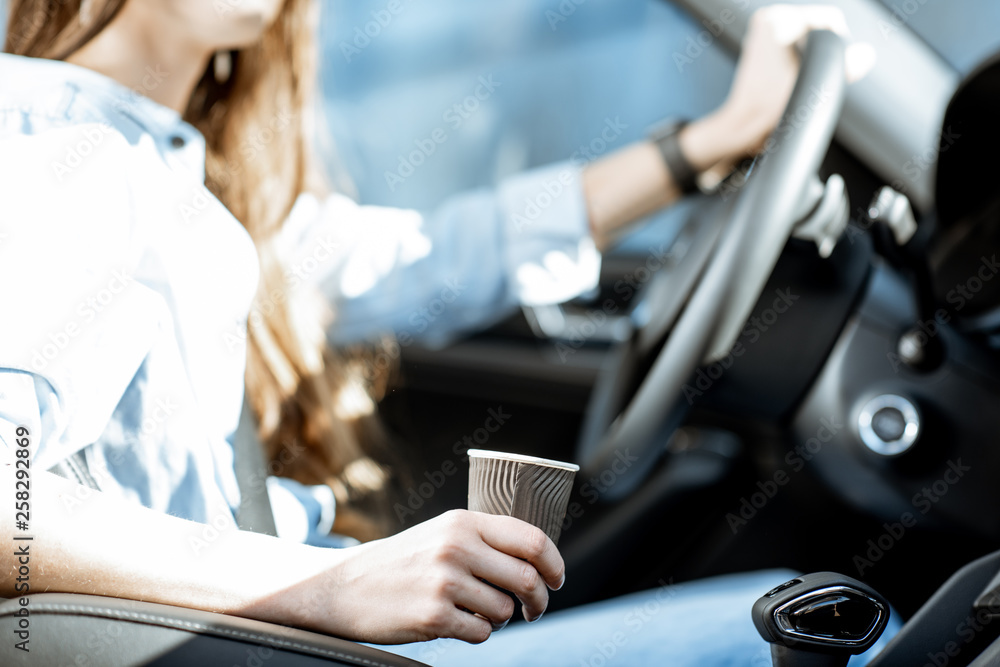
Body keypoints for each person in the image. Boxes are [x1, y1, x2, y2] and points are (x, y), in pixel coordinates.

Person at [0, 0, 891, 663]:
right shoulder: (55, 152)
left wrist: (712, 139)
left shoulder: (182, 184)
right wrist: (329, 587)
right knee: (843, 629)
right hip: (278, 637)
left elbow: (444, 257)